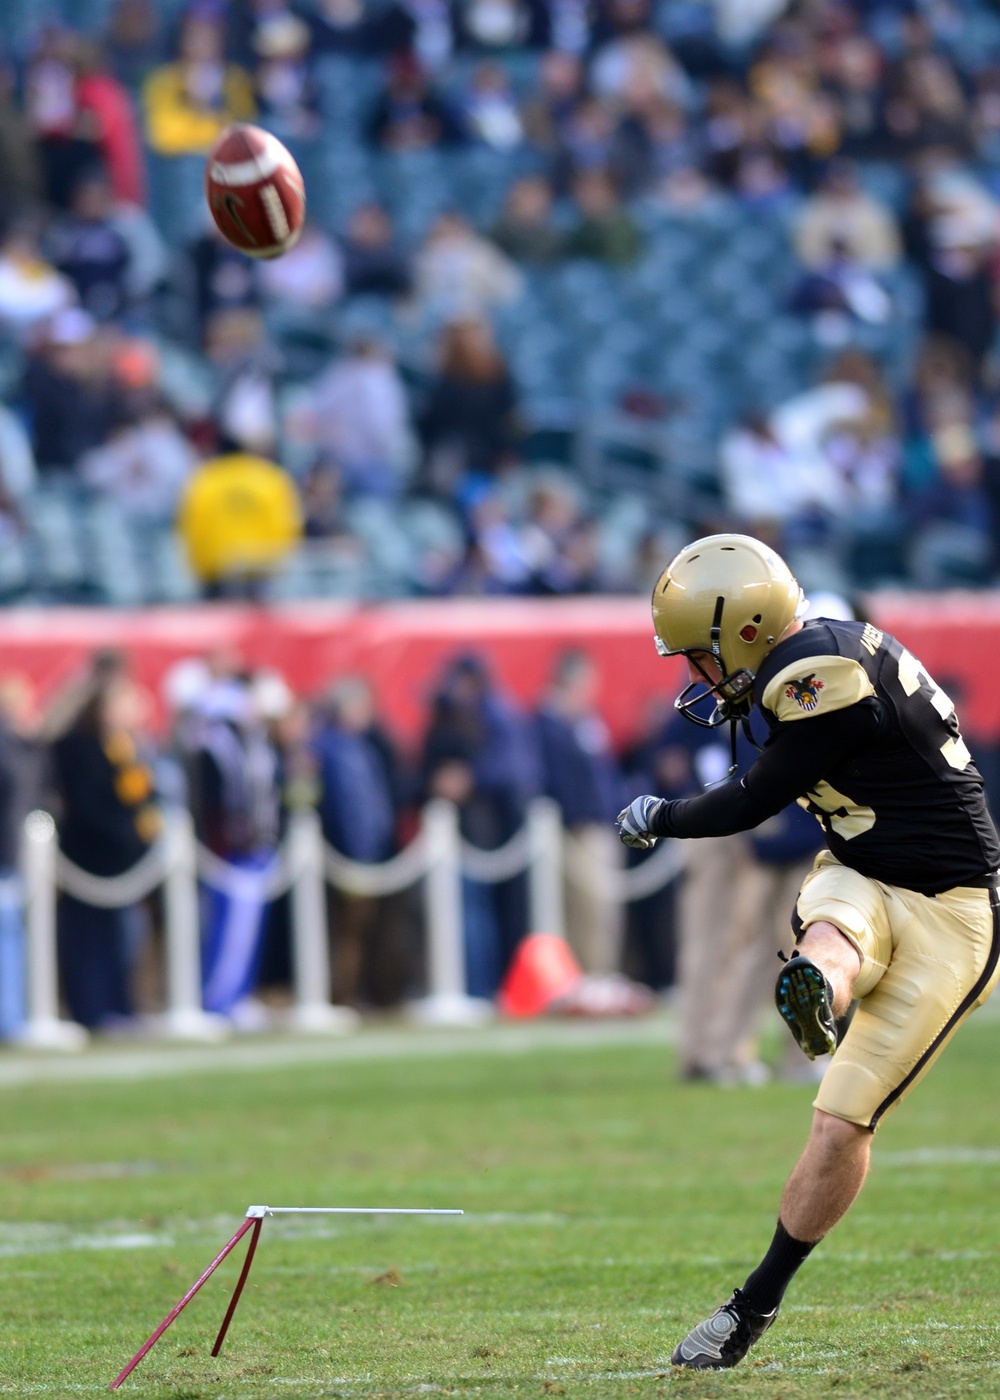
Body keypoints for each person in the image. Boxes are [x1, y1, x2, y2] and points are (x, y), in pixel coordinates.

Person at [616, 532, 1000, 1369]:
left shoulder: (821, 673)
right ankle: (818, 993)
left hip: (952, 912)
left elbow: (752, 799)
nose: (695, 677)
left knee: (839, 1126)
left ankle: (752, 1308)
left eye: (700, 656)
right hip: (862, 870)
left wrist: (661, 816)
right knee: (829, 935)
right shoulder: (807, 654)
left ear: (746, 630)